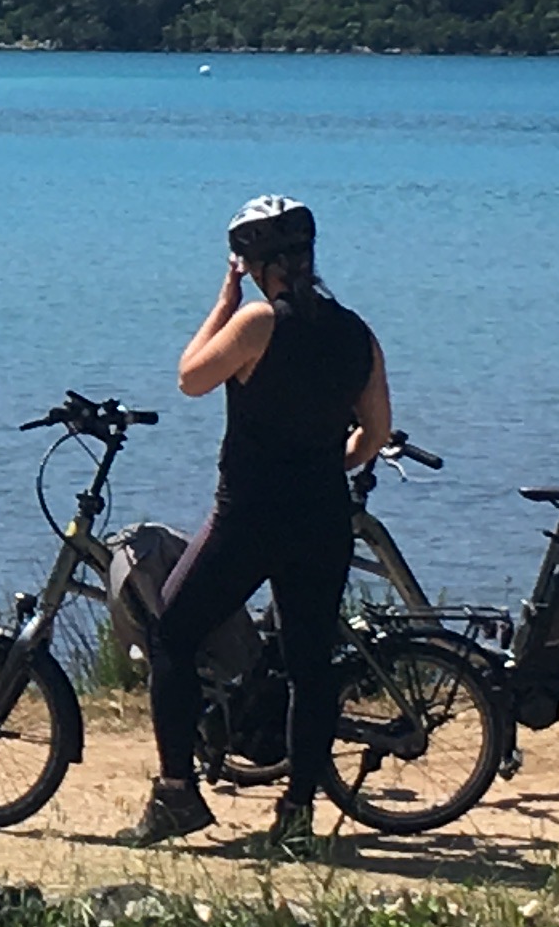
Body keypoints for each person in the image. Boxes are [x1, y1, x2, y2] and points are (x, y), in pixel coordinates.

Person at [122, 195, 392, 850]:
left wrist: (223, 299)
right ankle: (297, 815)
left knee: (174, 634)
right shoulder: (357, 332)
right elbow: (375, 433)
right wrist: (328, 464)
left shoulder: (256, 323)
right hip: (323, 517)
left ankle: (178, 794)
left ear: (252, 263)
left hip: (248, 517)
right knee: (309, 666)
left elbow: (190, 377)